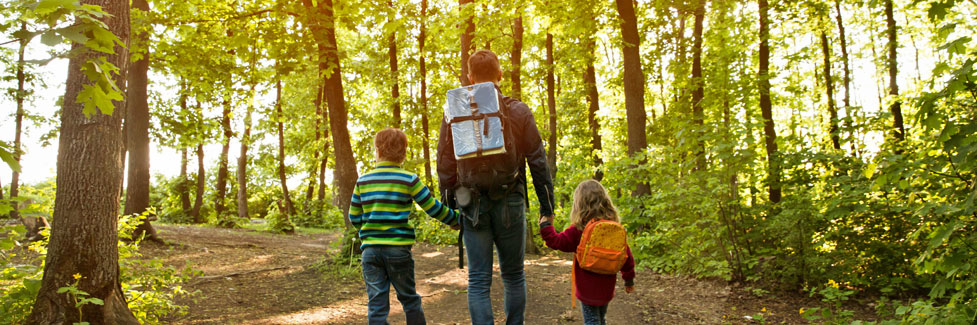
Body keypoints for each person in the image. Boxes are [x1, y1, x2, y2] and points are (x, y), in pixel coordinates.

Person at [437, 49, 555, 325]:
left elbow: (444, 163)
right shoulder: (518, 110)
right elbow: (538, 161)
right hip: (510, 201)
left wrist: (450, 208)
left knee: (478, 279)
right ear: (500, 75)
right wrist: (546, 208)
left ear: (469, 78)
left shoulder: (453, 114)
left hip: (472, 204)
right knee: (513, 275)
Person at [350, 127, 460, 325]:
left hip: (371, 252)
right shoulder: (409, 179)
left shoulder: (363, 181)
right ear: (403, 153)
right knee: (409, 298)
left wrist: (367, 234)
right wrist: (455, 219)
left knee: (376, 303)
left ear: (378, 150)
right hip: (398, 251)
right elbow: (432, 207)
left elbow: (354, 216)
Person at [539, 179, 635, 325]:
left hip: (587, 288)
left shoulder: (580, 229)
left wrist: (546, 225)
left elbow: (556, 242)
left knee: (591, 320)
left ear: (579, 204)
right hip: (607, 286)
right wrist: (628, 279)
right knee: (600, 319)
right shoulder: (613, 228)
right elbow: (626, 255)